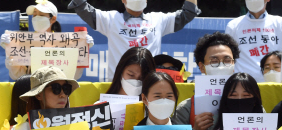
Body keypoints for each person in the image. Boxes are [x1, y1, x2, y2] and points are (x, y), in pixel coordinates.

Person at [68, 0, 199, 81]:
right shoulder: (111, 19)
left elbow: (188, 13)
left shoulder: (158, 19)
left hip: (149, 86)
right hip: (117, 87)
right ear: (123, 0)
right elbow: (81, 6)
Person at [0, 0, 93, 81]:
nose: (36, 18)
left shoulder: (65, 44)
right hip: (32, 92)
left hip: (57, 90)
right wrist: (10, 52)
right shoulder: (23, 43)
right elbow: (17, 75)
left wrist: (83, 48)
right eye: (34, 15)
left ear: (53, 19)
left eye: (41, 15)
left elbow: (74, 76)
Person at [175, 32, 241, 130]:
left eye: (227, 60)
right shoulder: (186, 109)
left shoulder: (250, 102)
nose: (221, 66)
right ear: (201, 67)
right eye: (214, 61)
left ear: (233, 64)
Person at [225, 0, 282, 81]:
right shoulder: (233, 26)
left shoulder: (281, 22)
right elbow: (227, 57)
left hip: (276, 83)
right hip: (244, 84)